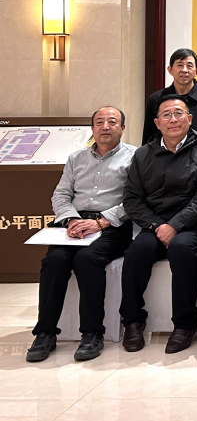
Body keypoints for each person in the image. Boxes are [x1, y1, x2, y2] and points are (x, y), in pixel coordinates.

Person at [25, 107, 136, 363]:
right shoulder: (76, 158)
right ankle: (45, 333)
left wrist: (101, 222)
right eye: (99, 122)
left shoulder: (134, 157)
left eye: (112, 122)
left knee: (87, 259)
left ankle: (92, 333)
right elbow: (61, 194)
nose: (105, 126)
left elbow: (135, 198)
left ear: (122, 128)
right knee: (55, 260)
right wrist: (72, 219)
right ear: (92, 128)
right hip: (74, 224)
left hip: (112, 225)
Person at [120, 94, 197, 354]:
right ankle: (132, 321)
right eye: (166, 115)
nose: (173, 119)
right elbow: (131, 199)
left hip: (195, 223)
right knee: (137, 251)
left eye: (178, 113)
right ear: (157, 122)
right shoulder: (143, 154)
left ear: (190, 118)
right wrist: (157, 226)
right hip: (155, 223)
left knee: (181, 248)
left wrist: (175, 225)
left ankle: (185, 324)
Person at [142, 48, 197, 145]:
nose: (184, 70)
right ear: (170, 70)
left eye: (189, 66)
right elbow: (149, 137)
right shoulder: (156, 99)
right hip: (165, 154)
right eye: (180, 65)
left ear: (196, 71)